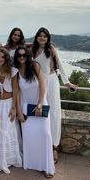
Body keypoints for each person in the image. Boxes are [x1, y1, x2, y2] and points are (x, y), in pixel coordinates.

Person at [32, 27, 77, 164]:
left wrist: (67, 82)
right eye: (40, 36)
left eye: (44, 36)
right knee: (39, 112)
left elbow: (61, 66)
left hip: (51, 81)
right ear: (36, 37)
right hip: (37, 83)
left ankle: (54, 147)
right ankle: (41, 145)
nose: (42, 38)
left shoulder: (51, 49)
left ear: (48, 38)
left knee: (54, 114)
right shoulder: (32, 50)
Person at [13, 45, 55, 178]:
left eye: (24, 55)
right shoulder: (15, 71)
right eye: (19, 55)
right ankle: (31, 163)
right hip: (25, 107)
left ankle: (47, 166)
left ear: (28, 56)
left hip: (39, 104)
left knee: (45, 134)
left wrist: (40, 104)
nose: (21, 57)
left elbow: (43, 85)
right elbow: (16, 93)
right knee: (29, 137)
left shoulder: (35, 66)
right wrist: (19, 111)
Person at [0, 48, 22, 174]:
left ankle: (8, 159)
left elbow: (15, 89)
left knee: (7, 131)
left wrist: (14, 108)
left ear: (6, 58)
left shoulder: (12, 71)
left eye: (2, 57)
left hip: (8, 105)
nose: (0, 59)